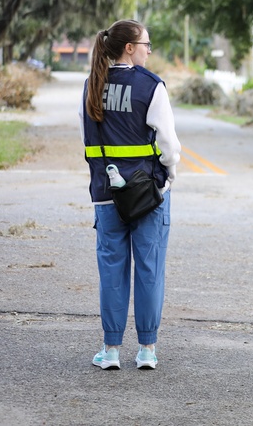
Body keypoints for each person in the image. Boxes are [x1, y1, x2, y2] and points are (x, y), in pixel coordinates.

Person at [80, 19, 181, 370]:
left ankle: (110, 351)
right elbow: (167, 144)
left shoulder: (92, 84)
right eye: (146, 45)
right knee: (150, 269)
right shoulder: (151, 86)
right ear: (129, 48)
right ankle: (147, 351)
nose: (148, 51)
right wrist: (169, 173)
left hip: (106, 195)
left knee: (111, 269)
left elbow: (90, 143)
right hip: (147, 195)